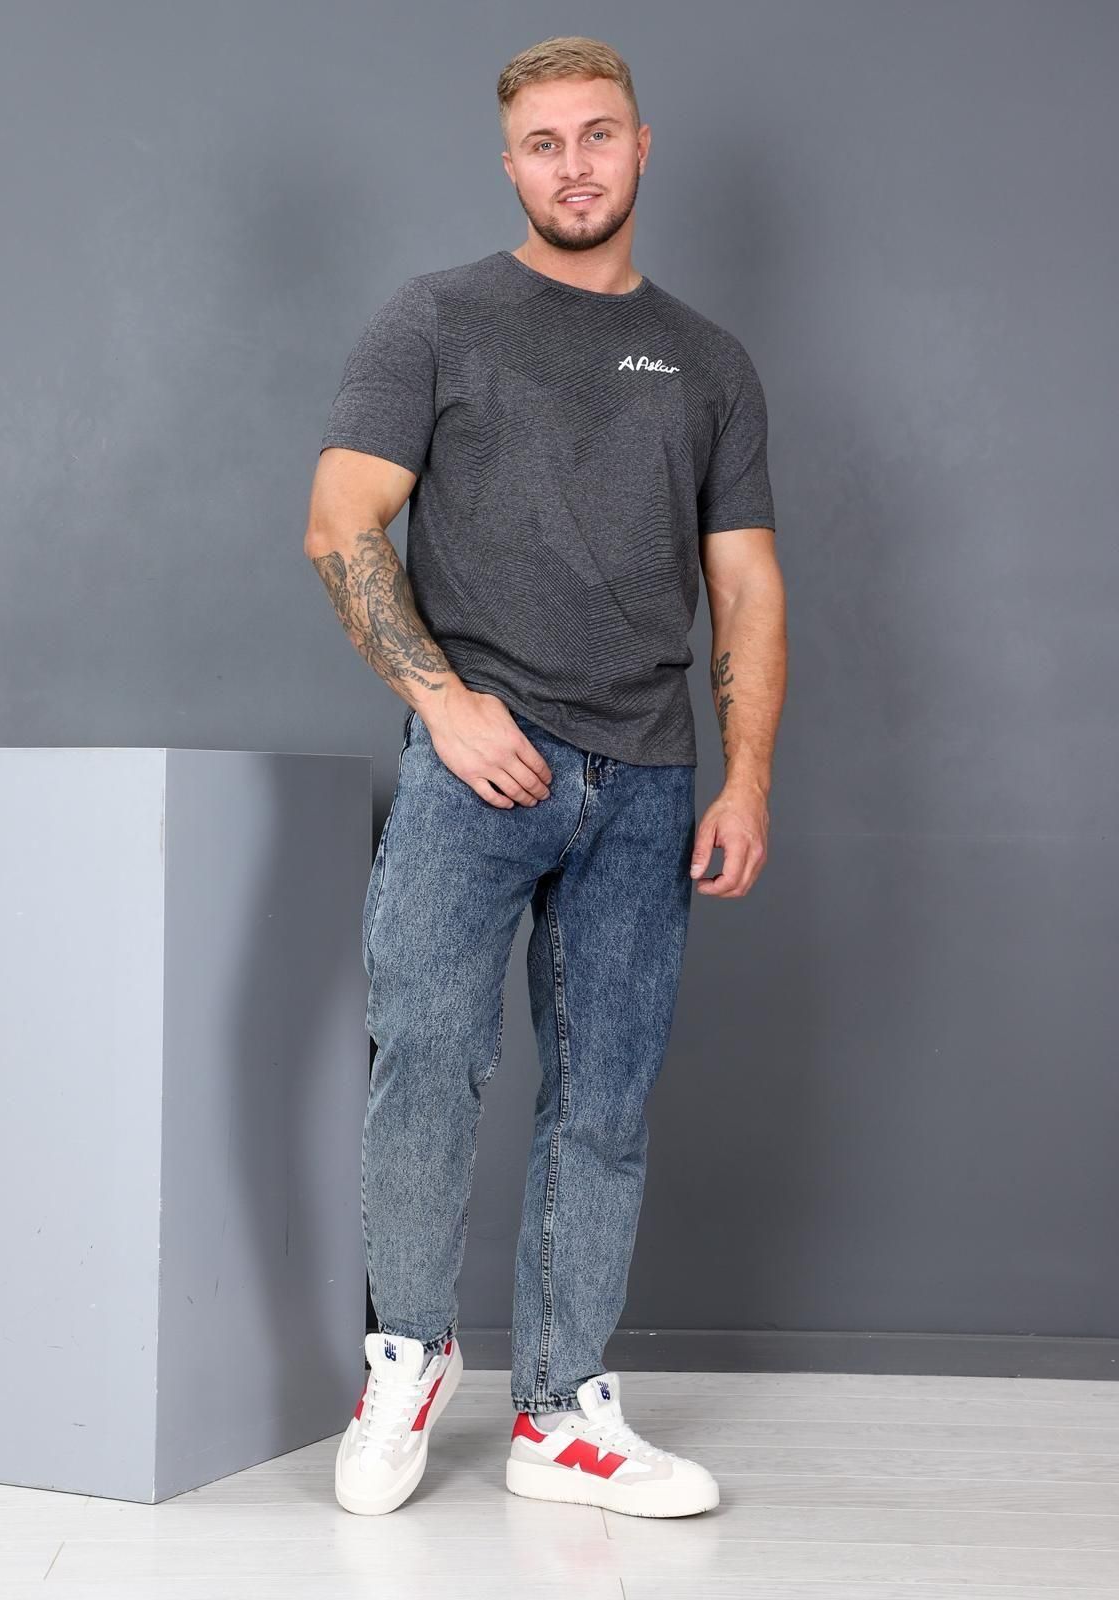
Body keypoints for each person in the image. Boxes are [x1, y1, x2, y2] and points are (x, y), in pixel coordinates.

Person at [305, 34, 787, 1519]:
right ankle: (408, 1358)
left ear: (643, 147)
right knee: (423, 1063)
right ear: (508, 163)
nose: (574, 165)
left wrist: (747, 779)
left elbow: (746, 585)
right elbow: (341, 523)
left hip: (648, 786)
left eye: (598, 134)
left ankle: (564, 1413)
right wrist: (445, 707)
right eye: (543, 142)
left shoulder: (710, 362)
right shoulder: (436, 319)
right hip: (480, 773)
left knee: (605, 1101)